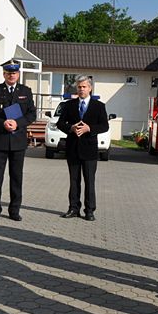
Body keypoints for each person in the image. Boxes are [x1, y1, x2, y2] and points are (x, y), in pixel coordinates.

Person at [0, 59, 37, 221]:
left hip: (18, 141)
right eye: (8, 73)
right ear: (4, 74)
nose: (11, 75)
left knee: (16, 177)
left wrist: (17, 123)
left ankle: (14, 210)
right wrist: (2, 123)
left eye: (14, 73)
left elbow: (31, 115)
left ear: (18, 74)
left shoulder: (26, 91)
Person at [56, 76, 108, 221]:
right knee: (74, 180)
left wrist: (89, 128)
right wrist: (70, 128)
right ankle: (73, 208)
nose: (81, 89)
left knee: (89, 181)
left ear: (90, 88)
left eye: (84, 87)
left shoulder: (99, 106)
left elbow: (105, 126)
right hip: (73, 148)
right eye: (79, 87)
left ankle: (89, 210)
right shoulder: (69, 105)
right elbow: (60, 123)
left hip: (89, 150)